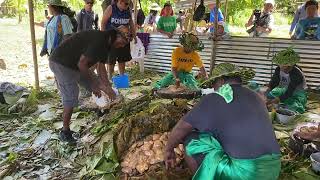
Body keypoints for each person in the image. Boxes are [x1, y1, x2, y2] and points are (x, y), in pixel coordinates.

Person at [165, 63, 281, 180]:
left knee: (190, 139)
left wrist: (169, 150)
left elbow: (181, 128)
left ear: (220, 81)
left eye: (213, 84)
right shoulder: (255, 95)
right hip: (273, 168)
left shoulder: (215, 97)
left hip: (245, 173)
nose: (214, 88)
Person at [49, 27, 129, 143]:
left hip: (76, 64)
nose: (121, 46)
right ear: (117, 36)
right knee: (71, 97)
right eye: (122, 43)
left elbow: (101, 68)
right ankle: (65, 132)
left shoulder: (107, 43)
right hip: (62, 63)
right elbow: (82, 64)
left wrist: (107, 87)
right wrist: (95, 85)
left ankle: (103, 111)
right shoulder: (100, 41)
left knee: (97, 85)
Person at [265, 47, 307, 114]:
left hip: (297, 92)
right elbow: (274, 82)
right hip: (284, 89)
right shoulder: (278, 69)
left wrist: (278, 99)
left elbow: (290, 90)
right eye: (280, 65)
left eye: (285, 66)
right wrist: (266, 93)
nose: (282, 68)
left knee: (293, 106)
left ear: (291, 65)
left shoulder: (297, 73)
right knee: (271, 94)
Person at [101, 0, 136, 79]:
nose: (128, 6)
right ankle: (109, 78)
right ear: (120, 1)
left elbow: (131, 24)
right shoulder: (111, 8)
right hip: (112, 38)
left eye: (129, 4)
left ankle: (122, 77)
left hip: (124, 39)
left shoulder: (128, 10)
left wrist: (134, 36)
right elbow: (103, 23)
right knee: (111, 60)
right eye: (126, 4)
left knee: (122, 59)